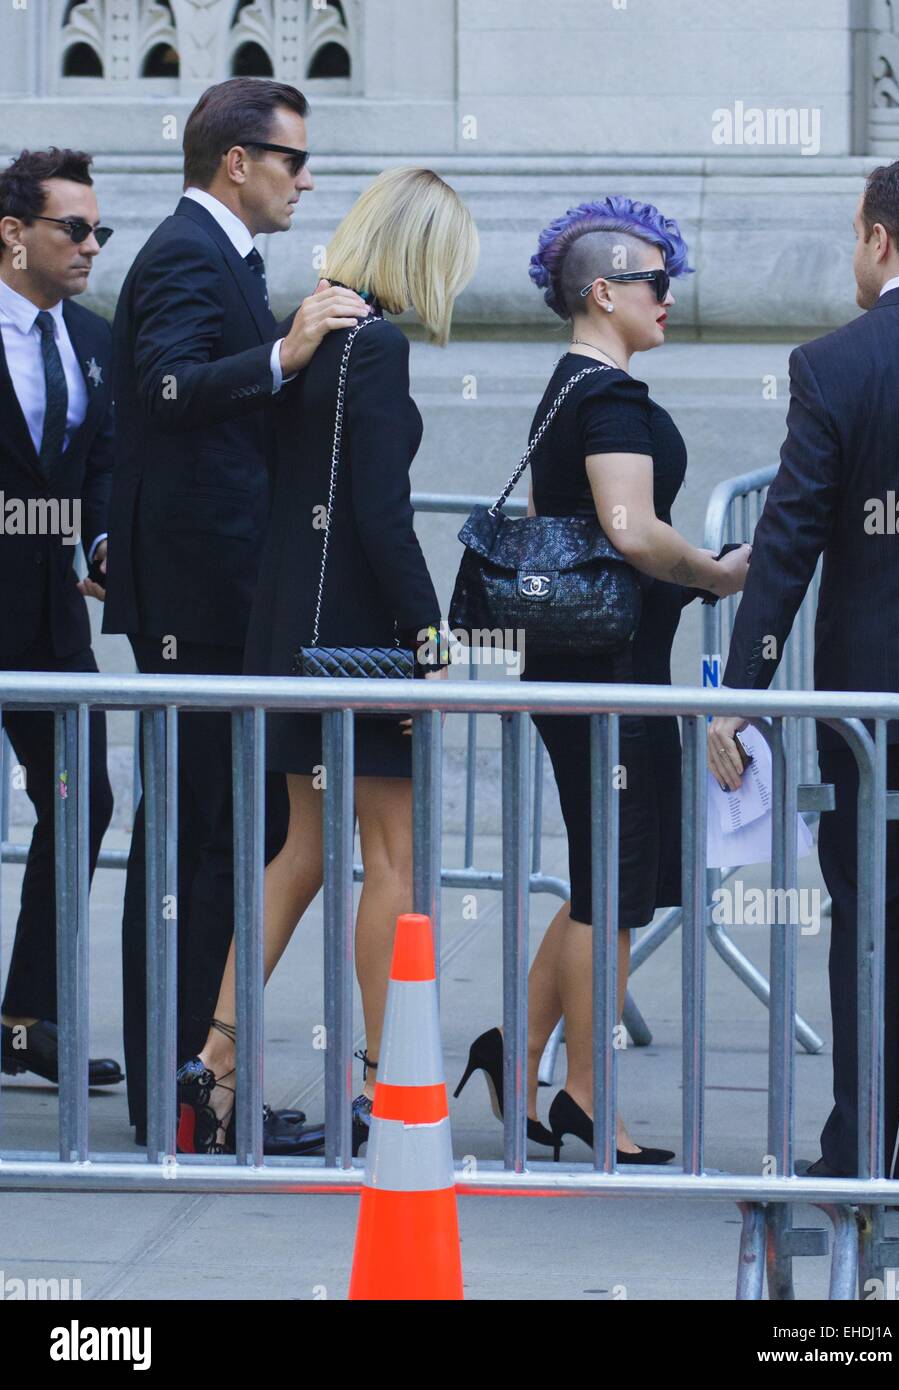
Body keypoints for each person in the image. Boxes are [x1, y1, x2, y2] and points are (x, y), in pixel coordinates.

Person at [175, 166, 479, 1154]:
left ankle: (210, 1071)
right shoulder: (376, 347)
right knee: (388, 855)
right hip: (357, 643)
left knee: (301, 850)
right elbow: (383, 520)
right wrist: (429, 641)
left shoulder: (313, 336)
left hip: (293, 632)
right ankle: (387, 1092)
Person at [103, 77, 372, 1154]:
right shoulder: (182, 252)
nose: (306, 179)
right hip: (198, 596)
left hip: (218, 588)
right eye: (293, 161)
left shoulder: (218, 256)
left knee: (224, 835)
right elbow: (164, 389)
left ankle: (194, 1087)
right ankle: (185, 1095)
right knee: (203, 842)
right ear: (236, 163)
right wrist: (285, 353)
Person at [455, 196, 750, 1161]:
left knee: (601, 879)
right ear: (603, 289)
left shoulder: (570, 387)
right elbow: (627, 529)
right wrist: (717, 572)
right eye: (657, 282)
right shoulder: (611, 398)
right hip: (610, 673)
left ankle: (517, 1045)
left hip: (590, 669)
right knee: (613, 888)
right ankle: (588, 1093)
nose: (671, 297)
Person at [709, 158, 899, 1189]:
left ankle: (858, 1150)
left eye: (856, 234)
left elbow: (788, 546)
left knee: (870, 931)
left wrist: (744, 701)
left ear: (881, 240)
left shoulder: (836, 366)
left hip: (872, 717)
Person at [0, 147, 121, 1089]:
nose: (90, 246)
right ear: (14, 235)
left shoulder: (90, 338)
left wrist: (111, 542)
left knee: (83, 800)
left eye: (96, 230)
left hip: (50, 624)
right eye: (72, 229)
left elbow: (101, 469)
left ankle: (23, 1018)